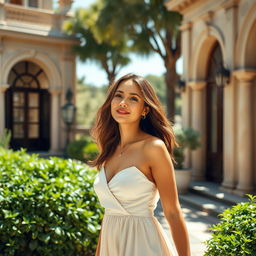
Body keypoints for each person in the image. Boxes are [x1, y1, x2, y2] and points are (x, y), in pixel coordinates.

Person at [89, 73, 191, 256]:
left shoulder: (153, 148)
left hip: (144, 245)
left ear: (145, 109)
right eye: (118, 95)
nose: (123, 103)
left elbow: (173, 213)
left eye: (133, 98)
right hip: (110, 247)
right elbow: (109, 214)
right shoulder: (109, 148)